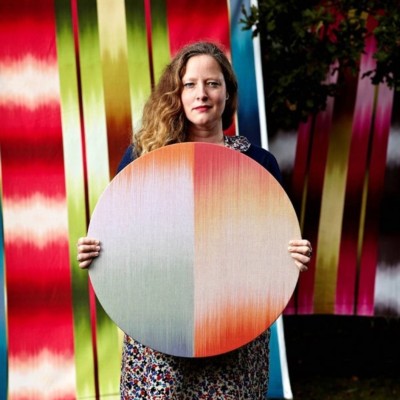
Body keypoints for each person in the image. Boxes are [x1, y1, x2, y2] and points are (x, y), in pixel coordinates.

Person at [77, 41, 312, 399]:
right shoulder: (146, 157)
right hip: (160, 323)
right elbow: (120, 231)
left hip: (234, 325)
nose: (201, 93)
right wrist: (97, 250)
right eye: (189, 84)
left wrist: (292, 253)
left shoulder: (258, 163)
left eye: (212, 83)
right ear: (177, 94)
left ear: (228, 93)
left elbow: (273, 239)